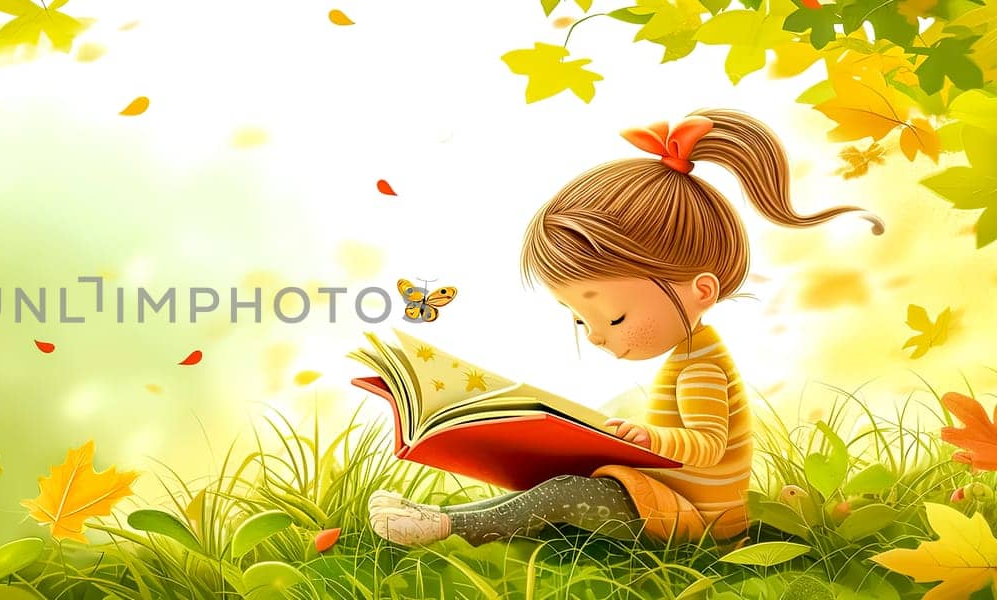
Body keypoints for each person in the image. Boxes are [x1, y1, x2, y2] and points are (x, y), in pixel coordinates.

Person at [367, 109, 884, 547]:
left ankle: (451, 526)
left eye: (614, 317)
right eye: (580, 319)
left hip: (697, 518)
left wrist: (647, 436)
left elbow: (705, 444)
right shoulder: (690, 353)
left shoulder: (702, 367)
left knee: (563, 493)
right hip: (666, 494)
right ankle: (442, 516)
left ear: (700, 291)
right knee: (556, 484)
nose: (594, 334)